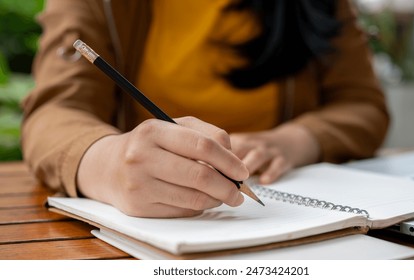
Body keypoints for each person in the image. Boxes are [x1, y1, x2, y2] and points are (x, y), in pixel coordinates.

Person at [21, 0, 389, 218]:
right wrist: (109, 162)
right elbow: (54, 112)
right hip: (151, 223)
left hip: (285, 203)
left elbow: (363, 104)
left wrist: (295, 140)